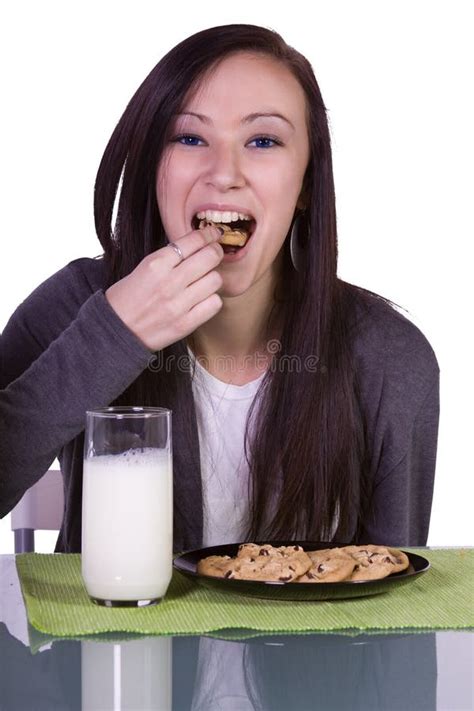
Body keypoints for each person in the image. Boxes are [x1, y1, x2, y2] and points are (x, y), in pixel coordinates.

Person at [0, 24, 439, 553]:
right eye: (189, 138)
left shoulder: (390, 358)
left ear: (305, 185)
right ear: (152, 169)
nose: (224, 173)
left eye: (263, 141)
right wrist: (115, 334)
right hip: (119, 638)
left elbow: (395, 596)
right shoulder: (75, 307)